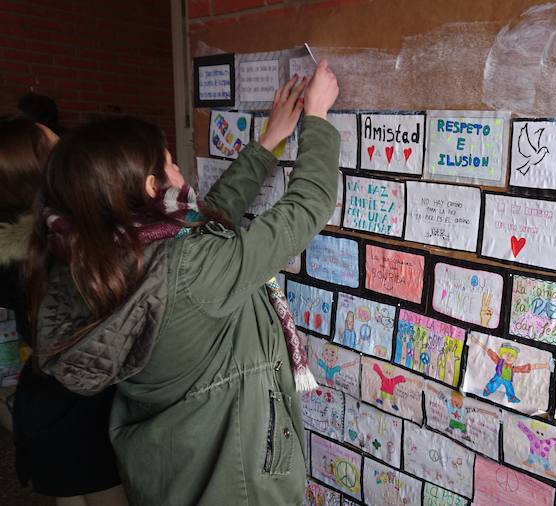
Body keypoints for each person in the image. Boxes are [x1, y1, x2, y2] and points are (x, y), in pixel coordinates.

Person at [27, 60, 340, 505]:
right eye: (172, 165)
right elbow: (307, 206)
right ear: (152, 187)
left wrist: (268, 143)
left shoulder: (93, 261)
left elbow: (207, 219)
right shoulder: (188, 269)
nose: (182, 176)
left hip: (168, 474)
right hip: (237, 484)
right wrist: (318, 118)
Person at [0, 116, 127, 505]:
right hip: (85, 414)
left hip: (45, 408)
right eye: (59, 148)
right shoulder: (65, 249)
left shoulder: (18, 248)